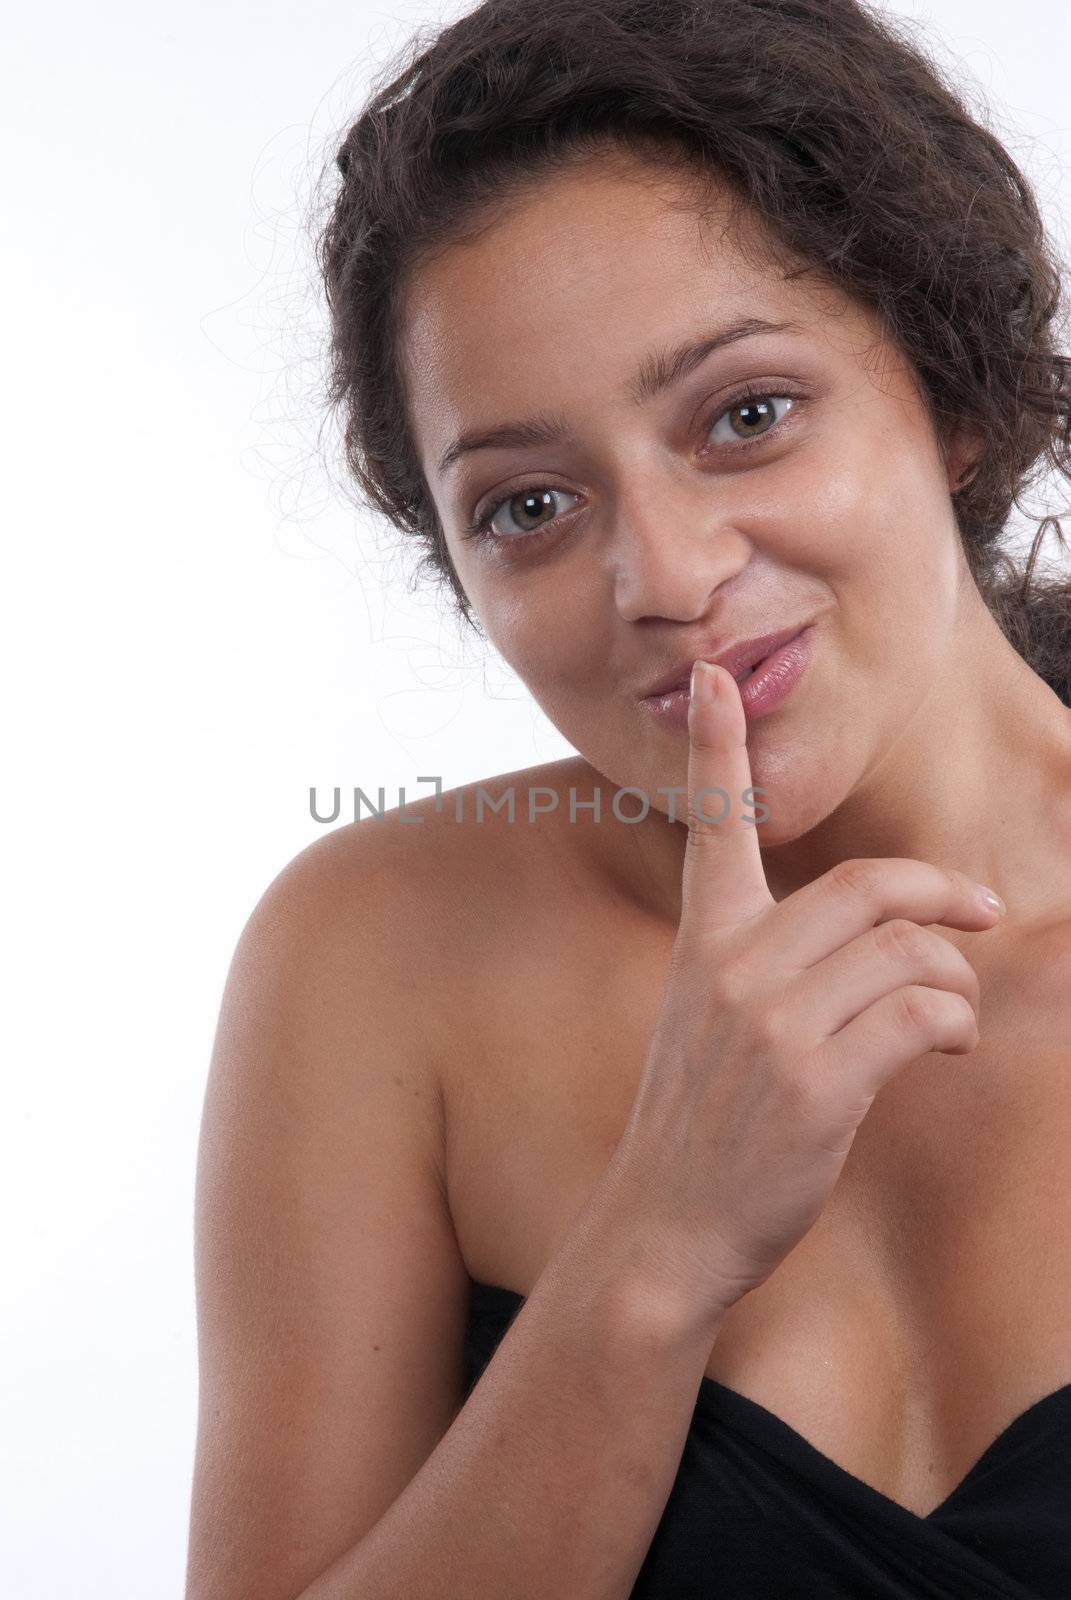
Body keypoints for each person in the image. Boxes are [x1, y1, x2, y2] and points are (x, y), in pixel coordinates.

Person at [185, 1, 1071, 1596]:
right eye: (531, 503)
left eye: (746, 416)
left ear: (954, 391)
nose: (663, 577)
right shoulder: (381, 960)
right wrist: (656, 1246)